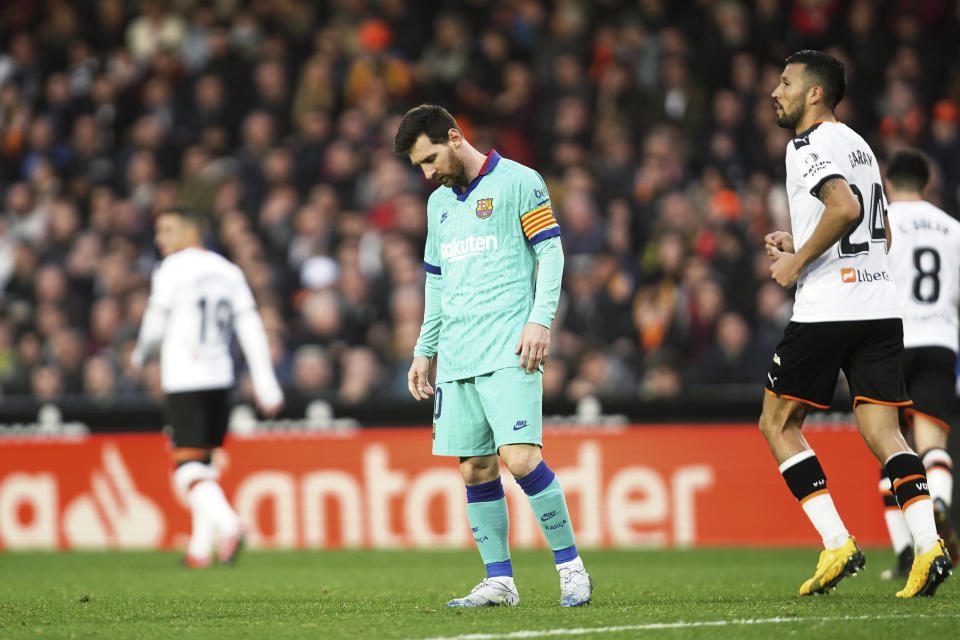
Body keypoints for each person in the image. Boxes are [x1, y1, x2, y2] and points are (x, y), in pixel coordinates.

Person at [761, 50, 952, 597]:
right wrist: (802, 242)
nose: (776, 91)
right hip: (881, 308)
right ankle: (928, 546)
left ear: (814, 93)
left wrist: (798, 263)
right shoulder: (861, 146)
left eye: (786, 82)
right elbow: (879, 234)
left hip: (828, 308)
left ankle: (837, 541)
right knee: (885, 432)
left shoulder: (807, 145)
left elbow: (843, 210)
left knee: (777, 424)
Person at [394, 104, 592, 608]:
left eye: (431, 158)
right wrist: (424, 351)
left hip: (510, 348)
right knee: (475, 470)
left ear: (455, 136)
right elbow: (435, 284)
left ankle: (571, 568)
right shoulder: (439, 205)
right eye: (419, 165)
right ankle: (500, 582)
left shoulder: (521, 182)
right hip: (456, 358)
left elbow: (551, 253)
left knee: (521, 459)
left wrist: (540, 320)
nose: (427, 172)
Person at [131, 205, 283, 567]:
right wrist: (266, 383)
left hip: (185, 379)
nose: (159, 238)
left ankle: (230, 526)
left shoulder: (171, 269)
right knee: (204, 461)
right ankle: (200, 548)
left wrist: (139, 356)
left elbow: (153, 328)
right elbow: (249, 326)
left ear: (189, 231)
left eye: (167, 229)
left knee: (186, 468)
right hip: (220, 379)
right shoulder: (227, 270)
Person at [876, 149, 960, 579]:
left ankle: (909, 556)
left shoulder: (881, 221)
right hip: (941, 341)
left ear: (888, 181)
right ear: (927, 183)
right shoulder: (953, 229)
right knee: (932, 446)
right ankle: (940, 499)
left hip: (892, 342)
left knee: (891, 452)